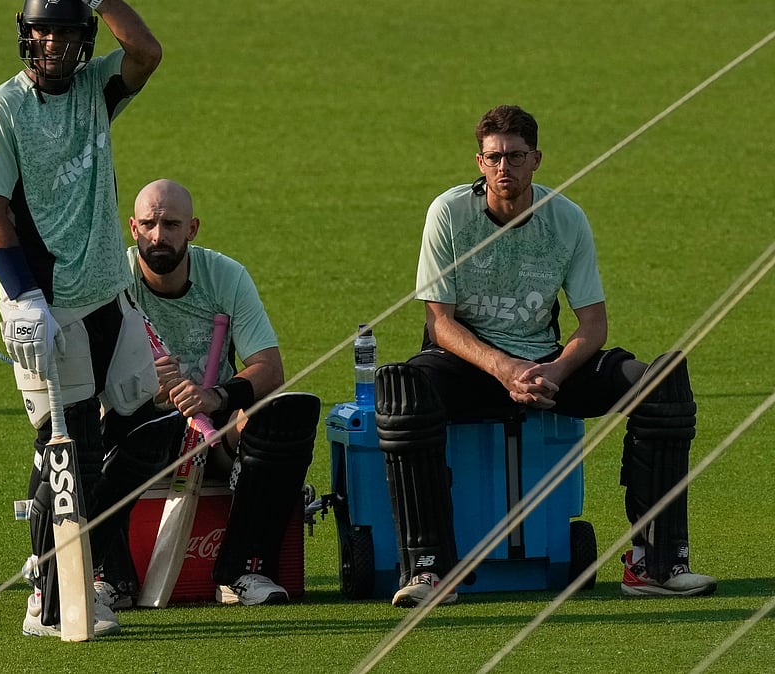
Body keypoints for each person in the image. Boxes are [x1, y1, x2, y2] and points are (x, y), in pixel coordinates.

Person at [376, 104, 716, 608]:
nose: (503, 168)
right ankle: (430, 570)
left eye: (515, 156)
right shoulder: (448, 213)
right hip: (469, 365)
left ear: (536, 159)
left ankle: (657, 563)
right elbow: (439, 323)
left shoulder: (566, 219)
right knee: (402, 394)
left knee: (661, 387)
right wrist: (504, 368)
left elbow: (593, 324)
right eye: (493, 158)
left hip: (546, 364)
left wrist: (555, 370)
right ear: (478, 161)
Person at [0, 0, 162, 637]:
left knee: (145, 425)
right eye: (44, 31)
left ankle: (68, 561)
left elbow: (147, 54)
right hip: (47, 308)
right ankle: (50, 604)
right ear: (26, 35)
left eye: (69, 32)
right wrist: (22, 297)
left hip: (109, 297)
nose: (54, 44)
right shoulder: (1, 111)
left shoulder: (95, 90)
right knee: (67, 450)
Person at [95, 178, 319, 608]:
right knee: (90, 426)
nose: (159, 236)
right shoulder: (112, 279)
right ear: (132, 227)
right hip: (139, 421)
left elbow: (270, 369)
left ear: (192, 229)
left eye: (171, 225)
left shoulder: (226, 276)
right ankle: (109, 575)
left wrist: (215, 396)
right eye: (148, 224)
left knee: (287, 414)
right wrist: (138, 379)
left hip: (213, 427)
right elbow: (84, 367)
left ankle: (244, 571)